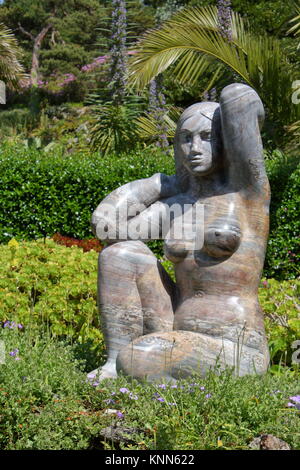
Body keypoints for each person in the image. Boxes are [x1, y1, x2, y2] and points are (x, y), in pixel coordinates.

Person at [89, 83, 270, 382]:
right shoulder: (177, 206)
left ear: (225, 141)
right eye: (186, 139)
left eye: (207, 137)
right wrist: (158, 184)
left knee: (140, 357)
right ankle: (113, 363)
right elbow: (107, 226)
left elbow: (238, 99)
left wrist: (248, 121)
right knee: (120, 254)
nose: (194, 148)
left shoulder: (247, 195)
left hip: (235, 345)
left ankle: (158, 383)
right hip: (173, 329)